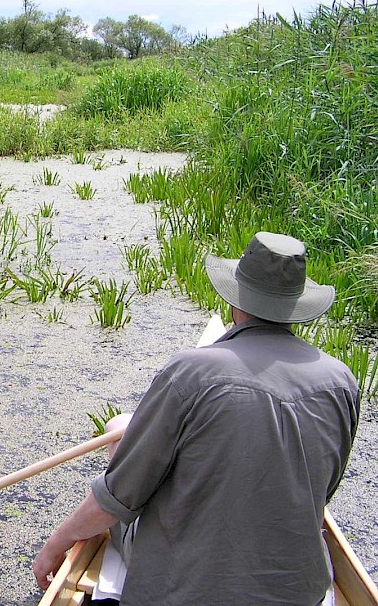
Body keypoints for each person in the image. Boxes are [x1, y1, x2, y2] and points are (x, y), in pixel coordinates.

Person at [33, 232, 360, 605]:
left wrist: (55, 546)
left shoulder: (191, 372)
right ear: (296, 306)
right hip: (300, 589)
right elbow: (323, 492)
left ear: (237, 300)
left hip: (187, 587)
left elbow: (119, 497)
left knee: (118, 431)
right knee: (123, 428)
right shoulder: (341, 381)